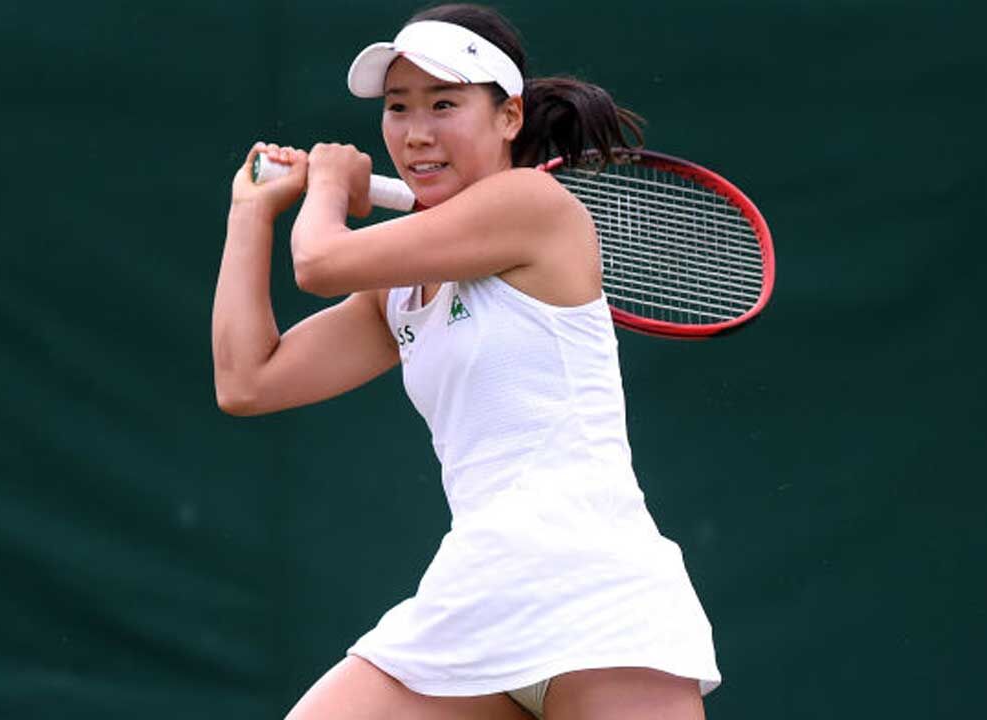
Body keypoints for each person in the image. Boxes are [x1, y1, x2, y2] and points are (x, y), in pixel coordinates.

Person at [213, 4, 721, 718]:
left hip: (598, 604)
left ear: (509, 116)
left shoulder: (530, 203)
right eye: (398, 106)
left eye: (444, 104)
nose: (416, 132)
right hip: (476, 600)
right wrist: (251, 213)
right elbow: (247, 380)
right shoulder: (398, 288)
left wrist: (326, 183)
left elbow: (320, 263)